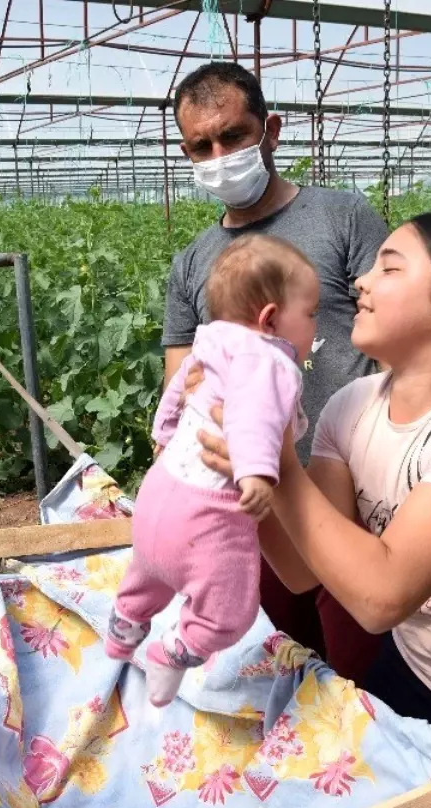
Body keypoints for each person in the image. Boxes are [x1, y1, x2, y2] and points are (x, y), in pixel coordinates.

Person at [191, 212, 431, 750]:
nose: (361, 280)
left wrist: (277, 460)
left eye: (389, 267)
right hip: (419, 661)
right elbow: (300, 570)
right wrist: (236, 471)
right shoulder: (349, 407)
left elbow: (383, 598)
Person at [162, 60, 389, 677]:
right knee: (292, 663)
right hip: (255, 505)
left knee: (364, 673)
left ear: (271, 131)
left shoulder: (343, 217)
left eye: (233, 136)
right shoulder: (192, 265)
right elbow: (181, 390)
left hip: (356, 493)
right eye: (200, 146)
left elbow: (398, 333)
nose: (218, 154)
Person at [107, 234, 318, 706]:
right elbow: (252, 416)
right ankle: (174, 652)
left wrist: (163, 436)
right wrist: (255, 474)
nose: (313, 324)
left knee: (150, 569)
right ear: (270, 319)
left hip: (159, 492)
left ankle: (125, 622)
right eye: (310, 313)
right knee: (231, 610)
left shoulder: (210, 343)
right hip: (206, 510)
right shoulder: (269, 359)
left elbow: (177, 392)